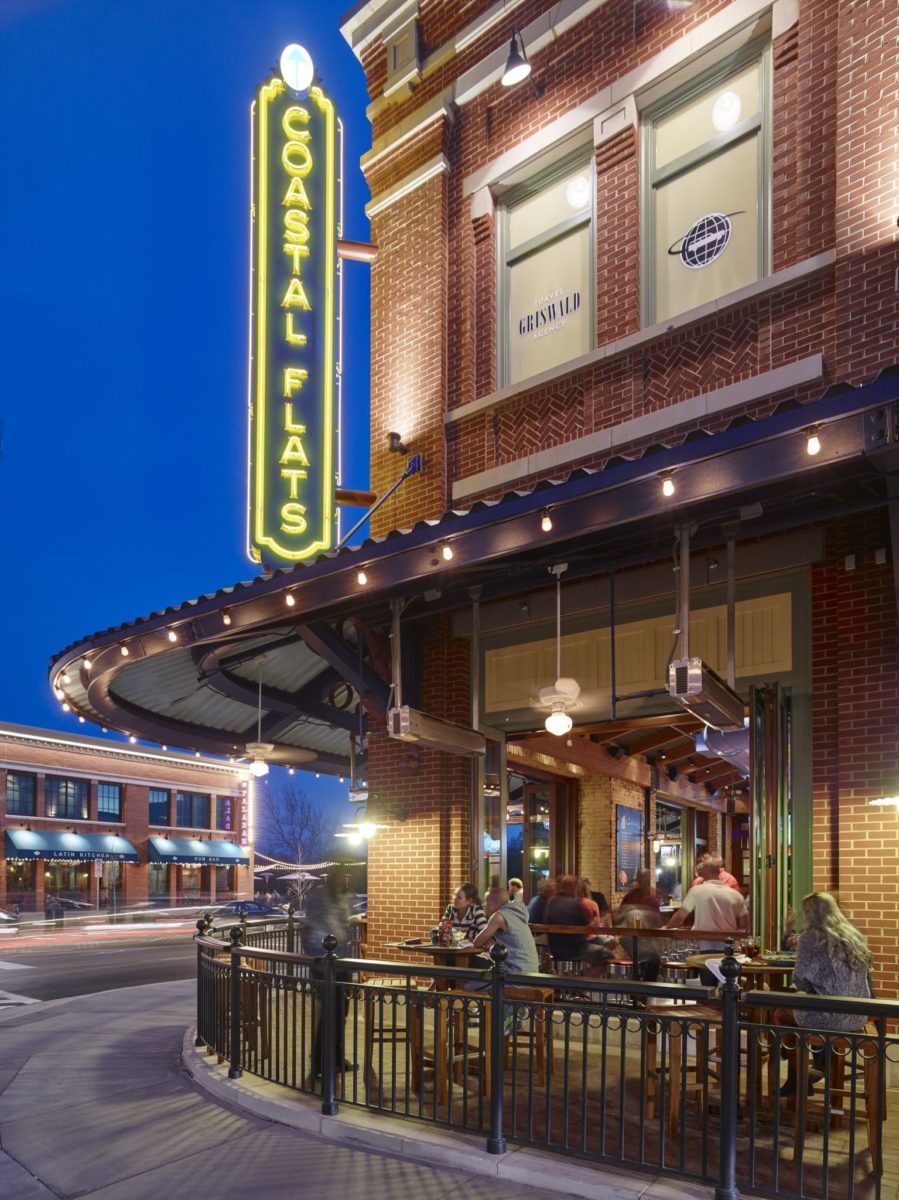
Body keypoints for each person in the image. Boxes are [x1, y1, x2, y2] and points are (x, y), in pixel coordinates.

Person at [776, 892, 874, 1096]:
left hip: (832, 1016)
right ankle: (816, 1066)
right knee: (809, 1005)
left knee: (781, 1013)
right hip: (858, 1016)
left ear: (811, 913)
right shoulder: (854, 934)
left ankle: (797, 1077)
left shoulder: (810, 937)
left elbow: (800, 979)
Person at [303, 867, 354, 1082]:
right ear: (335, 877)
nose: (345, 881)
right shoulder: (321, 896)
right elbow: (318, 927)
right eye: (343, 877)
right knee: (329, 1013)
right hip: (326, 963)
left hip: (339, 962)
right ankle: (322, 1062)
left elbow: (341, 925)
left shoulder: (338, 896)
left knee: (339, 1012)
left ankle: (335, 1058)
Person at [666, 859, 748, 951]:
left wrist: (667, 930)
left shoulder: (697, 891)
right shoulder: (736, 895)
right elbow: (744, 924)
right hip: (730, 947)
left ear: (705, 871)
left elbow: (679, 917)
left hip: (706, 947)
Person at [545, 875, 615, 974]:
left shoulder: (552, 902)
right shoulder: (575, 903)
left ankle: (578, 979)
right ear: (572, 887)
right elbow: (587, 924)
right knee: (608, 955)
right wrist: (593, 922)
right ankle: (583, 979)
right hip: (577, 949)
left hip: (555, 949)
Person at [472, 886, 540, 976]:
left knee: (471, 972)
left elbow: (477, 943)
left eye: (486, 901)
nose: (484, 904)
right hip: (532, 971)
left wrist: (489, 942)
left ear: (495, 903)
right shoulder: (516, 913)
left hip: (518, 973)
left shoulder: (499, 916)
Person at [614, 868, 662, 982]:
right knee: (652, 958)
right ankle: (641, 987)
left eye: (646, 878)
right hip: (634, 939)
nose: (644, 881)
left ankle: (643, 987)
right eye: (642, 878)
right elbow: (619, 918)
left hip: (647, 938)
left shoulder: (652, 896)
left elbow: (657, 920)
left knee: (653, 960)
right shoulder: (631, 896)